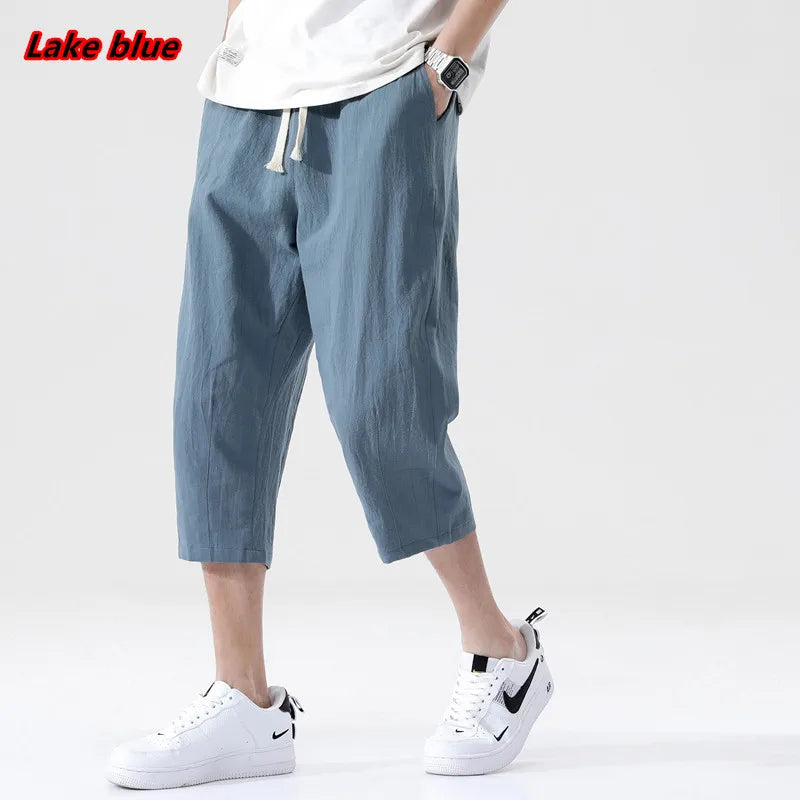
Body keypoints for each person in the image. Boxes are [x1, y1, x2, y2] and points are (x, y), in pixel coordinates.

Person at [107, 0, 553, 788]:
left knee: (384, 400)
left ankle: (501, 649)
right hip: (244, 101)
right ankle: (243, 696)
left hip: (384, 89)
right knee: (215, 398)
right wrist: (241, 29)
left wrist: (447, 64)